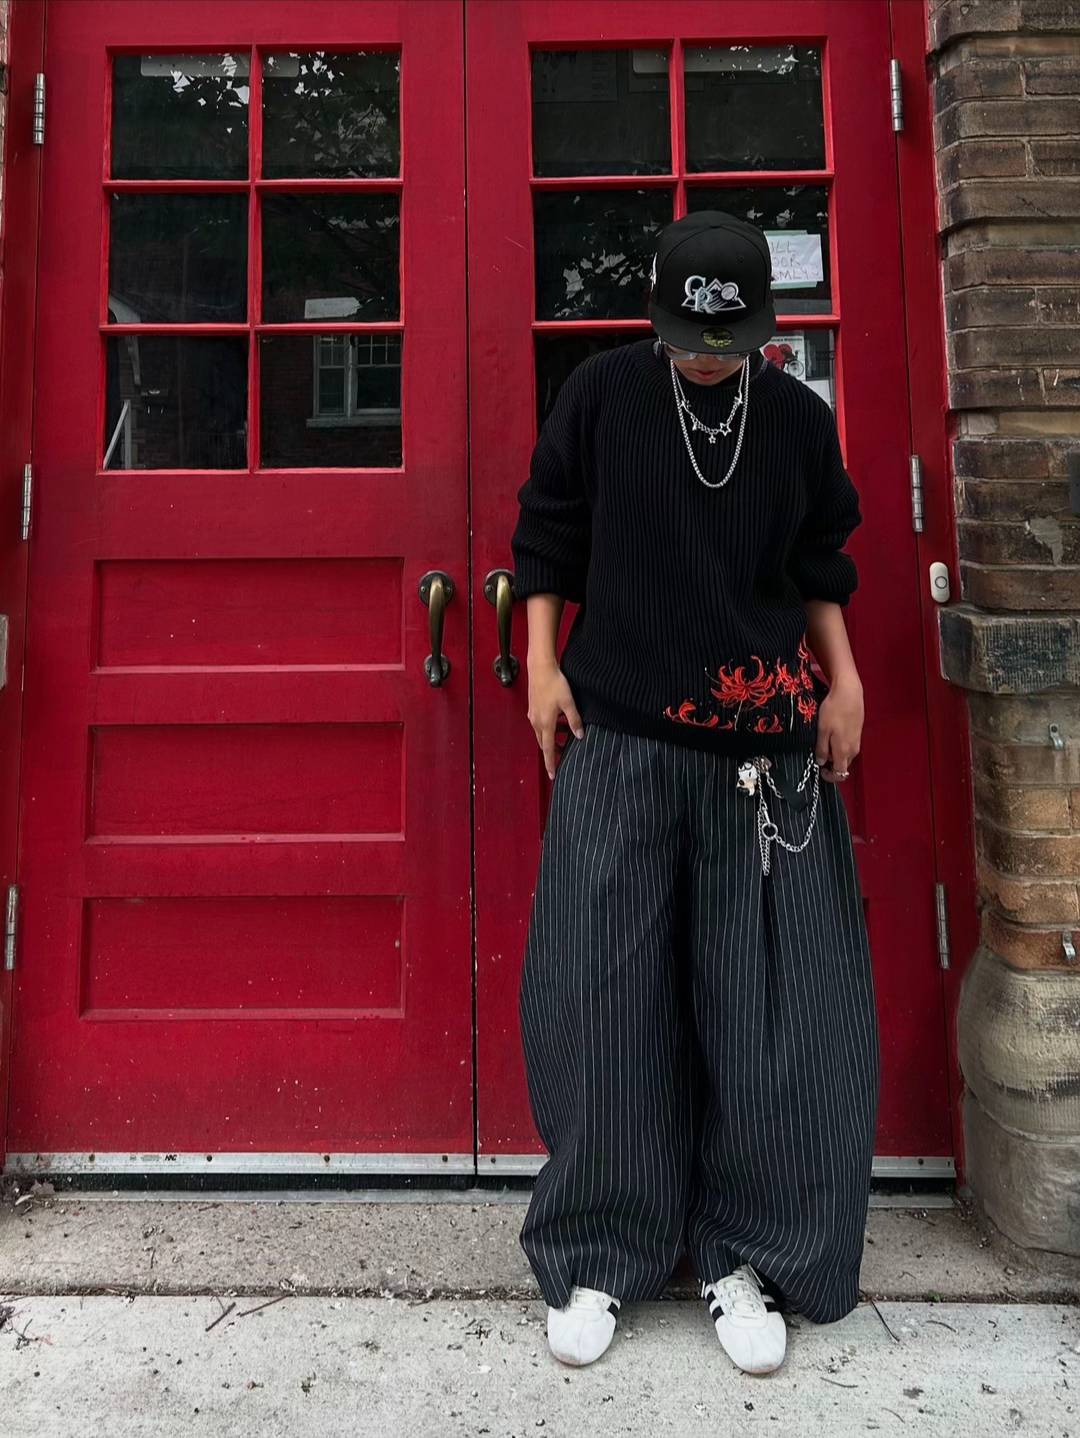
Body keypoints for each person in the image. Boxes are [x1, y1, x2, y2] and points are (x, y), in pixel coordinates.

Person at [509, 211, 881, 1376]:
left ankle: (742, 1256)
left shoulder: (798, 420)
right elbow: (547, 536)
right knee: (602, 998)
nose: (709, 357)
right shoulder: (604, 396)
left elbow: (818, 565)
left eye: (730, 338)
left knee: (764, 1015)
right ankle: (600, 1251)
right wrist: (540, 666)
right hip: (619, 736)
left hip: (762, 758)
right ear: (657, 314)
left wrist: (845, 682)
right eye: (689, 335)